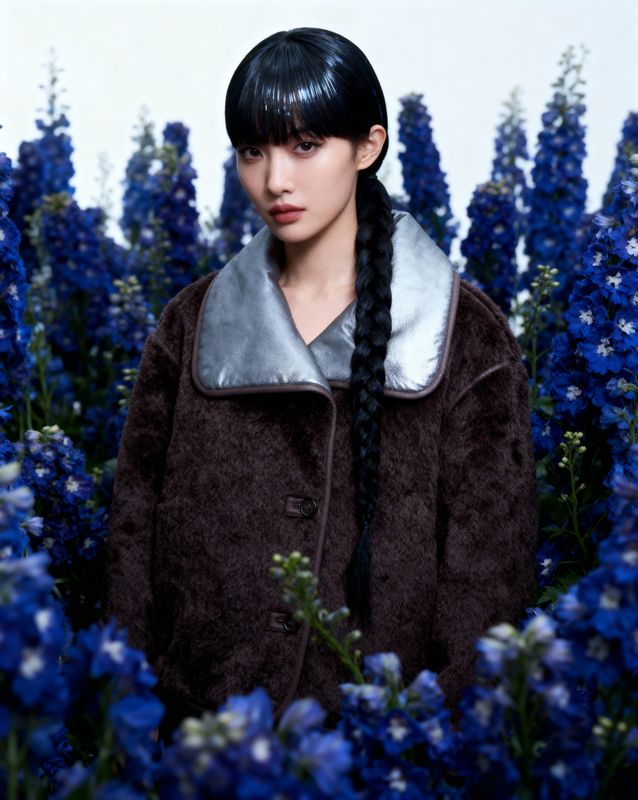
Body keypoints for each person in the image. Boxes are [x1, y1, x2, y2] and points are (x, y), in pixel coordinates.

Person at [103, 27, 538, 745]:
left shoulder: (465, 334)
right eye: (253, 150)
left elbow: (486, 589)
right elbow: (132, 536)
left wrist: (434, 749)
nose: (275, 179)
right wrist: (135, 727)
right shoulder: (191, 321)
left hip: (381, 759)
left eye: (305, 146)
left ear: (369, 146)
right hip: (198, 752)